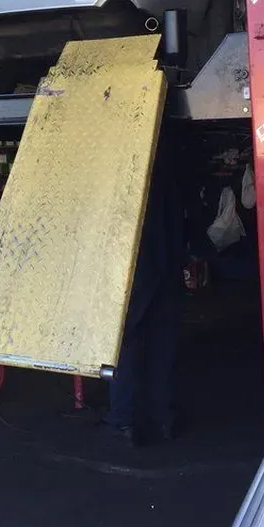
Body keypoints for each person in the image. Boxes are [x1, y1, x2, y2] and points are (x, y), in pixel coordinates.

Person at [104, 127, 185, 445]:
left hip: (136, 268)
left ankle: (123, 421)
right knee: (162, 346)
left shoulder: (124, 171)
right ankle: (162, 420)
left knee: (126, 343)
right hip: (168, 267)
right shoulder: (168, 166)